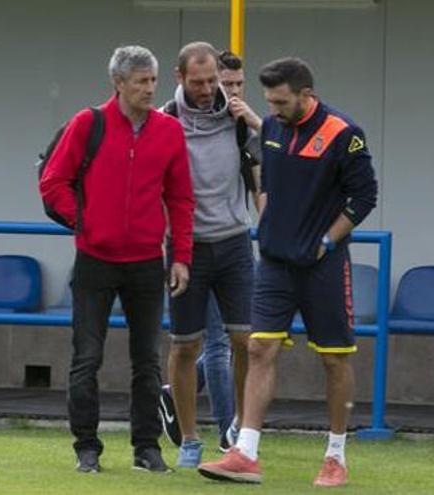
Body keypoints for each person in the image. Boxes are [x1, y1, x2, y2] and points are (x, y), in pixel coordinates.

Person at [198, 57, 377, 487]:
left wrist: (328, 241)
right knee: (259, 349)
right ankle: (246, 452)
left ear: (306, 95)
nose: (273, 111)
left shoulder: (344, 134)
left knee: (334, 359)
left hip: (323, 266)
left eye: (281, 102)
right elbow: (267, 183)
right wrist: (268, 218)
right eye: (269, 102)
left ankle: (335, 456)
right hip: (274, 263)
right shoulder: (274, 128)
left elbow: (364, 196)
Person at [39, 45, 194, 474]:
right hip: (94, 260)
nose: (149, 88)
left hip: (147, 262)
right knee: (86, 357)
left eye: (153, 80)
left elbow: (181, 198)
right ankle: (86, 448)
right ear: (118, 83)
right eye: (141, 81)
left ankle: (146, 448)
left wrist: (181, 257)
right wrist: (83, 222)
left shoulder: (169, 131)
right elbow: (53, 181)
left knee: (146, 360)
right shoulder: (88, 123)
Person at [164, 42, 260, 469]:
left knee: (245, 341)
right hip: (185, 246)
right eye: (198, 82)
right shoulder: (165, 119)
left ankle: (240, 431)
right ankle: (188, 438)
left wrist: (253, 120)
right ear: (180, 77)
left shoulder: (237, 117)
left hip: (235, 240)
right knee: (187, 346)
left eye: (213, 82)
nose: (207, 90)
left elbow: (267, 161)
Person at [190, 49, 263, 453]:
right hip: (198, 244)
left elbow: (263, 174)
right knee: (215, 344)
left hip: (237, 242)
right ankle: (226, 431)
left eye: (238, 85)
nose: (232, 92)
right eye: (225, 85)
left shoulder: (243, 126)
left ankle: (172, 392)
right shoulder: (193, 122)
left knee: (242, 340)